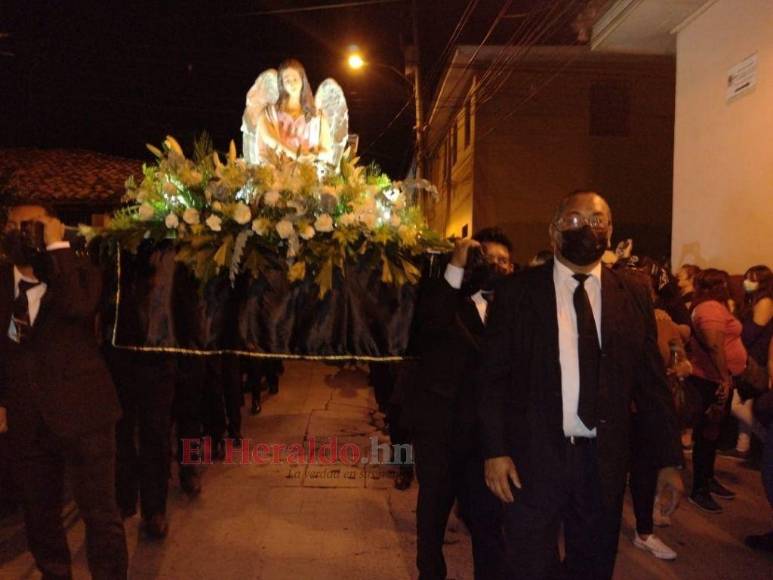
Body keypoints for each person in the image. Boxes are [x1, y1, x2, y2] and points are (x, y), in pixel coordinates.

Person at [479, 191, 683, 580]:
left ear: (610, 230)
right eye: (574, 219)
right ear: (554, 230)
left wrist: (669, 459)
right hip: (532, 461)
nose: (586, 227)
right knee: (527, 567)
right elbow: (491, 380)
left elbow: (652, 385)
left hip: (601, 465)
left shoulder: (633, 294)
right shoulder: (517, 292)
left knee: (592, 568)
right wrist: (495, 450)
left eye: (597, 219)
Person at [0, 203, 128, 579]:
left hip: (85, 413)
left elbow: (79, 306)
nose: (19, 234)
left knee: (101, 514)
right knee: (39, 515)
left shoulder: (78, 272)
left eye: (30, 227)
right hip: (27, 418)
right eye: (12, 226)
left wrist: (58, 249)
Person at [404, 227, 513, 580]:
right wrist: (456, 263)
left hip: (488, 439)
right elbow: (429, 324)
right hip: (442, 430)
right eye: (490, 258)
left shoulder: (514, 309)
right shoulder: (450, 300)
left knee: (488, 522)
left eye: (505, 260)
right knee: (434, 511)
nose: (498, 266)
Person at [686, 268, 748, 513]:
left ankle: (708, 479)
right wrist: (724, 377)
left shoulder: (716, 306)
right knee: (706, 434)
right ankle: (699, 488)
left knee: (711, 434)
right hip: (710, 380)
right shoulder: (710, 308)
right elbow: (714, 344)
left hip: (717, 379)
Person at [256, 59, 332, 163]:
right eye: (287, 80)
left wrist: (313, 156)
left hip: (307, 174)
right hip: (278, 175)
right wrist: (296, 155)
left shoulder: (317, 116)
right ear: (281, 83)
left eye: (295, 79)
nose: (292, 84)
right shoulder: (269, 113)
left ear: (302, 80)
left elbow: (326, 150)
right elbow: (270, 138)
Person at [734, 265, 773, 455]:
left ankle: (767, 439)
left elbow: (750, 333)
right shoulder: (751, 300)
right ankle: (743, 446)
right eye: (747, 278)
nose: (747, 282)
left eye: (753, 279)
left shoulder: (765, 302)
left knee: (736, 404)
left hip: (755, 358)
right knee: (745, 402)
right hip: (748, 355)